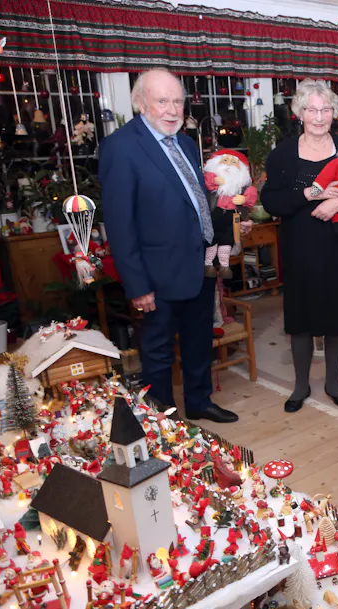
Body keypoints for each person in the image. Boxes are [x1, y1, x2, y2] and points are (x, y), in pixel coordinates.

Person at [101, 68, 249, 423]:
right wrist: (137, 285)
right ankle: (164, 422)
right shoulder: (120, 147)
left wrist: (228, 222)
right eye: (162, 101)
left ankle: (199, 402)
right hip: (157, 275)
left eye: (178, 101)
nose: (172, 109)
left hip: (200, 265)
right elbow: (120, 225)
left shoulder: (183, 142)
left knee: (199, 342)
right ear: (140, 103)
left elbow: (192, 202)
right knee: (159, 352)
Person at [260, 79, 338, 413]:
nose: (319, 116)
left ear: (334, 113)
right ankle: (300, 386)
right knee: (302, 319)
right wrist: (312, 194)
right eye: (312, 109)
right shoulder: (283, 153)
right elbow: (271, 202)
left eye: (326, 109)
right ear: (299, 112)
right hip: (301, 248)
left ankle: (333, 383)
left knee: (337, 317)